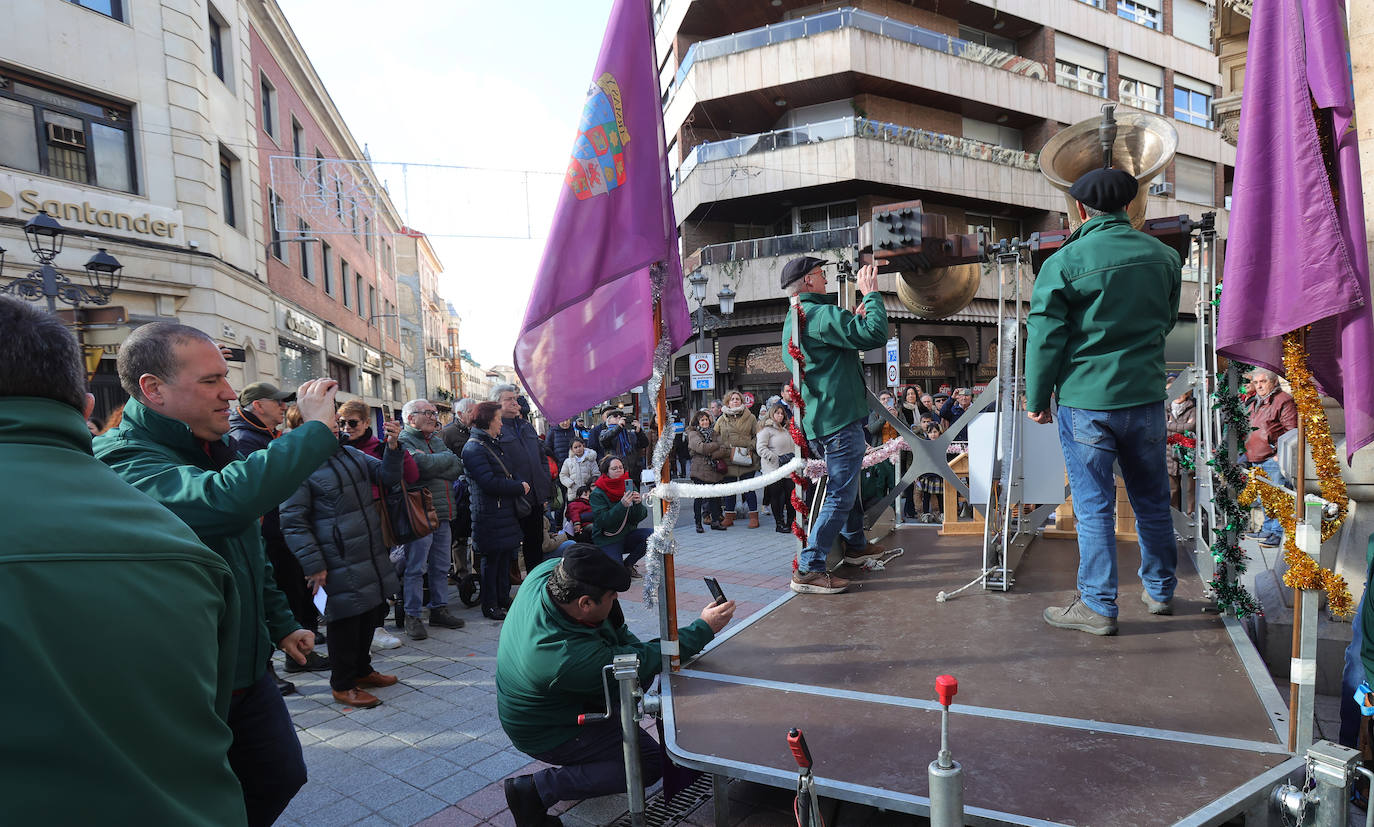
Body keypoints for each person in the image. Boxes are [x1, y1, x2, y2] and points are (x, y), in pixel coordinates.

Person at [0, 297, 248, 824]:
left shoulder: (213, 461)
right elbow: (207, 710)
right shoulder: (166, 524)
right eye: (211, 381)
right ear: (88, 407)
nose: (230, 394)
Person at [94, 321, 341, 825]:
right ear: (153, 389)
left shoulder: (214, 447)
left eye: (226, 379)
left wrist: (280, 622)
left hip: (246, 670)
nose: (229, 393)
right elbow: (222, 504)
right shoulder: (123, 459)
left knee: (279, 775)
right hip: (190, 684)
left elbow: (248, 550)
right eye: (211, 381)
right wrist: (313, 431)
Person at [1024, 167, 1182, 637]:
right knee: (1152, 500)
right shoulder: (1163, 257)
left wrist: (1038, 397)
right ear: (1130, 207)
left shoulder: (1064, 263)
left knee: (1095, 506)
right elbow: (1167, 321)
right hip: (1147, 398)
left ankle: (1097, 605)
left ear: (1079, 210)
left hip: (1086, 401)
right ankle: (1160, 591)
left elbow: (1045, 338)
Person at [497, 546, 736, 826]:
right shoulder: (561, 658)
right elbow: (642, 660)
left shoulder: (548, 574)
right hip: (546, 730)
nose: (616, 602)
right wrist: (703, 628)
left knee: (636, 682)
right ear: (585, 603)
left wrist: (622, 630)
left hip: (553, 700)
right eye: (612, 597)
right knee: (645, 764)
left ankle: (590, 761)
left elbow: (619, 633)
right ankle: (535, 790)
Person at [780, 255, 890, 594]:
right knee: (841, 493)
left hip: (823, 419)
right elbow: (875, 334)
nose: (826, 279)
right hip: (839, 420)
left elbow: (826, 353)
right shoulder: (820, 314)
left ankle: (855, 544)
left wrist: (848, 325)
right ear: (810, 281)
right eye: (822, 274)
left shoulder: (795, 318)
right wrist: (870, 295)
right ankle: (810, 567)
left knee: (845, 486)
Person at [281, 414, 405, 708]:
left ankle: (362, 670)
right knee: (344, 619)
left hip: (366, 551)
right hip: (334, 556)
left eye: (335, 420)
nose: (338, 425)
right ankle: (342, 684)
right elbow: (293, 521)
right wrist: (313, 565)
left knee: (370, 613)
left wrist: (394, 447)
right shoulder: (298, 464)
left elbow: (387, 478)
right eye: (329, 420)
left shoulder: (349, 453)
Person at [228, 381, 328, 688]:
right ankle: (269, 668)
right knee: (271, 596)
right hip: (266, 534)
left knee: (292, 590)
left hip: (280, 531)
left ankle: (298, 650)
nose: (284, 407)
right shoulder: (244, 438)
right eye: (277, 402)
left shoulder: (262, 434)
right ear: (257, 406)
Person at [336, 400, 419, 652]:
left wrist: (395, 446)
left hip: (376, 517)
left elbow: (409, 476)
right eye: (341, 423)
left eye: (352, 423)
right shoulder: (333, 449)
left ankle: (377, 626)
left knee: (377, 573)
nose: (347, 428)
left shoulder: (380, 447)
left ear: (365, 422)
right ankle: (355, 629)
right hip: (343, 520)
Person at [398, 398, 467, 640]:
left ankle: (439, 608)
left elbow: (456, 466)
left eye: (434, 413)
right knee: (416, 567)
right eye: (427, 412)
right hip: (418, 513)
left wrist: (432, 463)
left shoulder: (436, 440)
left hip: (443, 512)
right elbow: (416, 467)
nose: (433, 416)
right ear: (410, 418)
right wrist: (437, 462)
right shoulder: (404, 440)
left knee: (439, 566)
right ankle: (413, 615)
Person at [462, 400, 528, 621]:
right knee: (491, 562)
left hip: (502, 512)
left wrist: (518, 482)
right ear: (488, 421)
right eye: (498, 419)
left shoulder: (491, 443)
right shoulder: (473, 448)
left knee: (503, 559)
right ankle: (490, 604)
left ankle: (502, 598)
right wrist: (518, 487)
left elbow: (508, 471)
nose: (501, 423)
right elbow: (488, 482)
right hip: (488, 514)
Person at [495, 384, 553, 583]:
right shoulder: (496, 429)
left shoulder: (526, 426)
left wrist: (544, 483)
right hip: (514, 496)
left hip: (535, 496)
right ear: (497, 403)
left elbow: (541, 456)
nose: (515, 402)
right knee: (509, 546)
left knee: (534, 543)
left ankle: (534, 585)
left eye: (515, 398)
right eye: (508, 399)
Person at [1242, 368, 1297, 548]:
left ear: (1273, 382)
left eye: (1263, 382)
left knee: (1278, 497)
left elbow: (1292, 431)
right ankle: (1268, 529)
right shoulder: (1257, 401)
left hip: (1272, 458)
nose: (1258, 386)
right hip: (1257, 456)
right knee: (1266, 497)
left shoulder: (1283, 400)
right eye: (1256, 382)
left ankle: (1278, 533)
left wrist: (1279, 454)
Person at [589, 455, 651, 577]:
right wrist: (621, 506)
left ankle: (628, 564)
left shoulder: (629, 485)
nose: (619, 470)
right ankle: (612, 563)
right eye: (614, 468)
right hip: (608, 538)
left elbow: (638, 517)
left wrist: (638, 504)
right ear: (606, 472)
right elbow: (603, 521)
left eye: (621, 467)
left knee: (652, 536)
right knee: (617, 575)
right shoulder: (598, 492)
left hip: (627, 534)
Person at [442, 397, 477, 582]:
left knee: (477, 532)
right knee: (459, 536)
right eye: (471, 411)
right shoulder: (447, 433)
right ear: (461, 414)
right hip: (458, 492)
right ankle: (461, 573)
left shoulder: (478, 430)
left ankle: (477, 574)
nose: (475, 415)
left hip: (476, 489)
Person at [715, 389, 761, 528]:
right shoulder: (721, 419)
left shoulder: (751, 417)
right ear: (728, 403)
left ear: (742, 402)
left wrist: (750, 446)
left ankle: (754, 516)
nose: (735, 401)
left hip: (746, 456)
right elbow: (715, 436)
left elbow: (758, 435)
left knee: (749, 488)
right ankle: (729, 516)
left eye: (737, 399)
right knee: (730, 489)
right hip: (729, 458)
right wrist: (722, 448)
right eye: (732, 399)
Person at [757, 400, 798, 534]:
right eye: (777, 413)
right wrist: (775, 458)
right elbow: (761, 448)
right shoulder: (766, 429)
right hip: (773, 469)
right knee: (777, 497)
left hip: (788, 468)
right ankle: (779, 523)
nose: (780, 415)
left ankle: (791, 522)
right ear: (771, 414)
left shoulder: (786, 429)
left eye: (782, 413)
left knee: (790, 497)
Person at [687, 408, 729, 533]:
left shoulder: (714, 433)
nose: (705, 422)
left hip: (713, 469)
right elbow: (701, 448)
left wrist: (713, 453)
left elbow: (724, 449)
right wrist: (715, 446)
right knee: (699, 498)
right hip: (699, 470)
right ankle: (698, 523)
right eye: (702, 420)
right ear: (697, 422)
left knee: (714, 498)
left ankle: (715, 521)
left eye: (706, 419)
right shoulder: (693, 433)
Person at [1165, 389, 1198, 513]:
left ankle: (1189, 520)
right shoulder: (1165, 408)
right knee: (1171, 491)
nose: (1178, 394)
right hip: (1169, 456)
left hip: (1187, 456)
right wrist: (1183, 428)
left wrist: (1170, 425)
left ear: (1187, 393)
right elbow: (1163, 428)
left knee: (1189, 491)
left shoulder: (1193, 409)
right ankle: (1173, 522)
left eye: (1182, 391)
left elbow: (1191, 427)